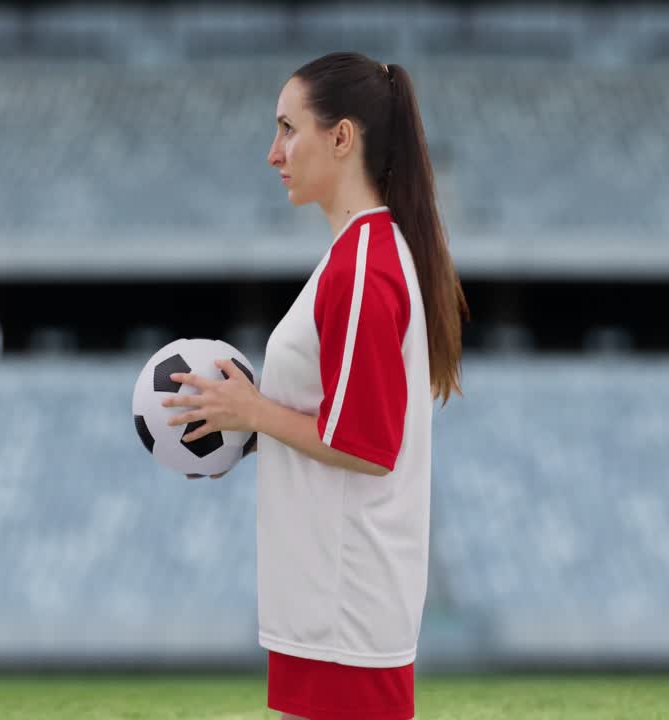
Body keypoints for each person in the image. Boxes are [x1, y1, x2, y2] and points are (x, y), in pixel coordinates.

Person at [162, 52, 469, 719]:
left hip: (344, 608)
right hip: (330, 603)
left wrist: (251, 410)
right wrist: (242, 428)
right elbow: (331, 418)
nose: (273, 153)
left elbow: (366, 444)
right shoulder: (357, 256)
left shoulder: (362, 269)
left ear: (341, 137)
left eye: (287, 128)